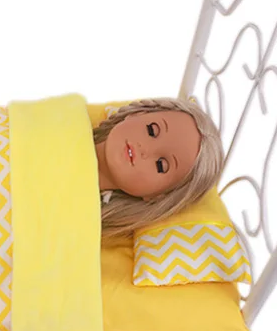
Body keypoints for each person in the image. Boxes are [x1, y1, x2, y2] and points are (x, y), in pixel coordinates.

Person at [94, 98, 224, 242]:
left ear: (158, 196)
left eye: (161, 165)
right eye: (152, 130)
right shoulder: (76, 120)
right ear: (137, 114)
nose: (145, 149)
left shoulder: (87, 222)